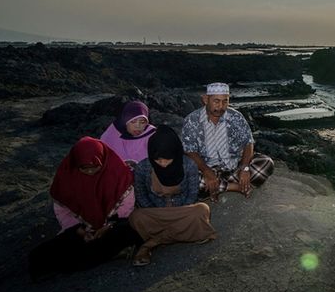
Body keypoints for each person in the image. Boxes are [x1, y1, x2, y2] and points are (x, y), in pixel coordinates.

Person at [28, 137, 141, 280]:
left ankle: (72, 263)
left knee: (130, 230)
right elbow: (63, 211)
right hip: (84, 230)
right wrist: (80, 231)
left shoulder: (118, 173)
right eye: (84, 169)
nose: (90, 172)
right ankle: (108, 254)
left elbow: (127, 206)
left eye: (95, 167)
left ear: (103, 161)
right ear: (76, 165)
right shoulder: (66, 179)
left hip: (113, 227)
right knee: (37, 256)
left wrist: (108, 226)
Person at [129, 125, 216, 266]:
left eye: (167, 159)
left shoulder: (188, 165)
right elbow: (141, 196)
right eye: (158, 160)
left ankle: (152, 242)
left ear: (175, 153)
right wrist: (158, 213)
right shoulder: (143, 168)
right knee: (136, 217)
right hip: (156, 213)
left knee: (202, 209)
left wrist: (175, 214)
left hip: (181, 211)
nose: (163, 164)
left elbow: (192, 196)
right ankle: (182, 233)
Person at [181, 82, 274, 200]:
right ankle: (235, 186)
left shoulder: (236, 117)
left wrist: (244, 168)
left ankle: (218, 186)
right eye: (216, 101)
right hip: (208, 167)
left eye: (225, 101)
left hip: (235, 165)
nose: (221, 106)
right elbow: (190, 151)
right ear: (205, 99)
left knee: (266, 163)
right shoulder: (192, 120)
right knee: (187, 178)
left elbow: (248, 142)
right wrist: (206, 171)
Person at [100, 100, 156, 168]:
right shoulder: (111, 135)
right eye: (133, 121)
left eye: (142, 122)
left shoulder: (151, 134)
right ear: (125, 120)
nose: (137, 126)